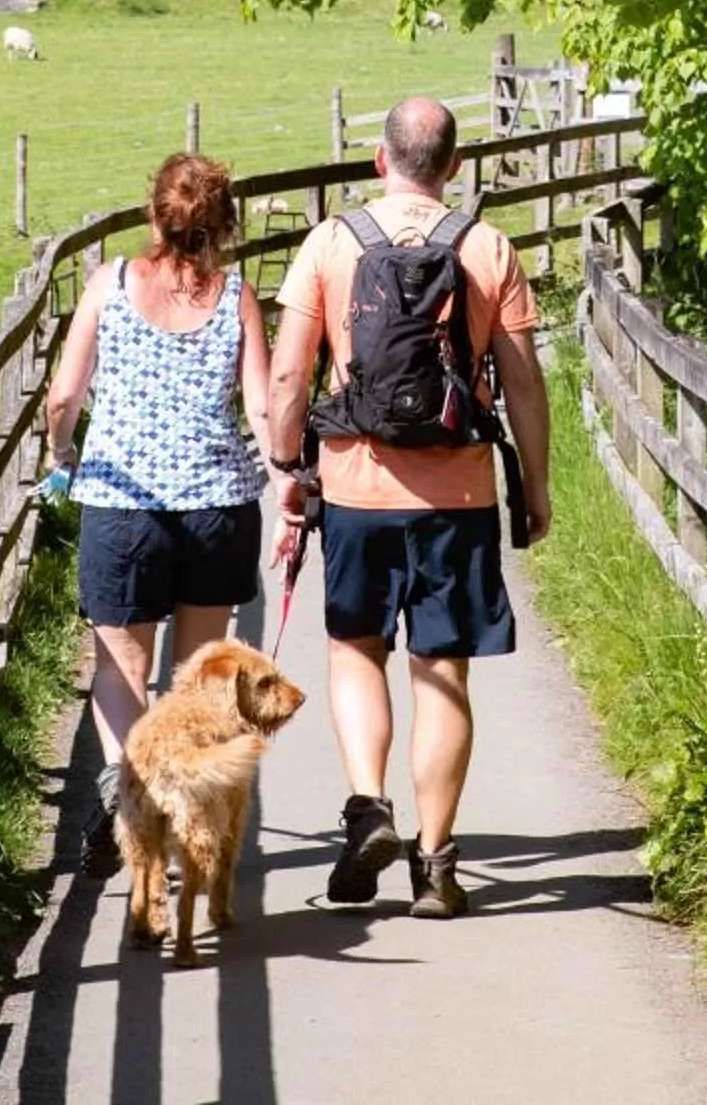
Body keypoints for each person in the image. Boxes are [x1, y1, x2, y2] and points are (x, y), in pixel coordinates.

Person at [264, 95, 551, 920]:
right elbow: (524, 385)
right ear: (454, 168)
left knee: (356, 652)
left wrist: (290, 466)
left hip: (356, 485)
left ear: (378, 161)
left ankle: (368, 806)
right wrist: (534, 484)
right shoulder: (487, 246)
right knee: (443, 673)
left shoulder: (330, 243)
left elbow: (289, 376)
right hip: (458, 493)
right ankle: (435, 863)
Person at [45, 151, 273, 876]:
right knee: (195, 678)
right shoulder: (235, 296)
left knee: (121, 670)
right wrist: (289, 478)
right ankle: (183, 806)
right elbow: (263, 406)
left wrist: (61, 453)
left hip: (122, 509)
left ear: (154, 215)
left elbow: (62, 396)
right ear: (224, 223)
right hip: (214, 508)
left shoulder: (110, 284)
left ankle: (122, 785)